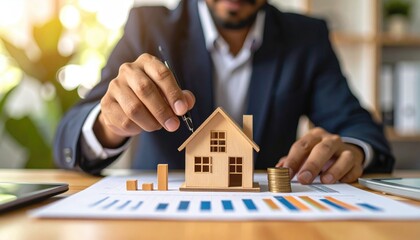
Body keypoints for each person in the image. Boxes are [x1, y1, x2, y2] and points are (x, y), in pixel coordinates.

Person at [54, 0, 395, 184]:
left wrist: (351, 149)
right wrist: (109, 124)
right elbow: (69, 134)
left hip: (270, 223)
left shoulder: (306, 37)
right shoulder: (147, 26)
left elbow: (361, 130)